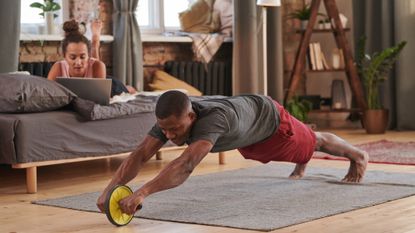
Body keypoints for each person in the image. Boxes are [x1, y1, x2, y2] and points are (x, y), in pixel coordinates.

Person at [96, 91, 369, 215]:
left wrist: (141, 192)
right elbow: (140, 154)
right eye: (164, 130)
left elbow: (186, 164)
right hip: (247, 133)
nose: (168, 136)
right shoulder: (169, 121)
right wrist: (112, 187)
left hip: (269, 121)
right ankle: (300, 161)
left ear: (191, 116)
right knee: (261, 154)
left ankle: (358, 156)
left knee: (313, 141)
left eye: (174, 129)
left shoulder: (212, 121)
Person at [47, 19, 135, 95]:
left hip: (110, 86)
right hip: (94, 78)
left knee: (128, 91)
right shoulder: (58, 67)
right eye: (73, 57)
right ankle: (95, 43)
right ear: (64, 56)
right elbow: (47, 93)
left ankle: (95, 41)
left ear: (89, 56)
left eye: (82, 57)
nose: (78, 62)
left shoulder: (98, 66)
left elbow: (101, 97)